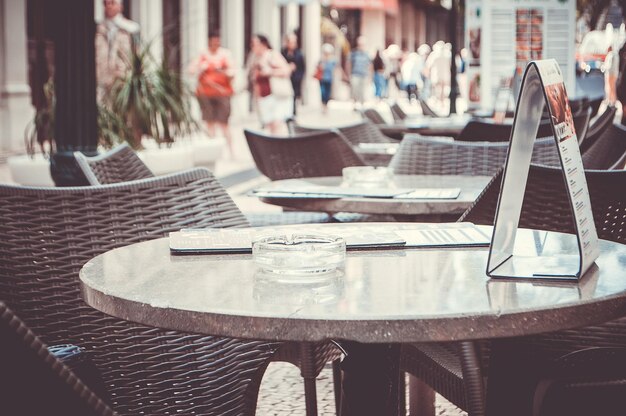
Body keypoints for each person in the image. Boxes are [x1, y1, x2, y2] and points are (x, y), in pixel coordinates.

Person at [188, 32, 235, 157]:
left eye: (217, 42)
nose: (216, 44)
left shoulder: (225, 54)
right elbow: (191, 70)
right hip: (205, 94)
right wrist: (200, 68)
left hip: (222, 93)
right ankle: (214, 153)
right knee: (210, 123)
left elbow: (232, 72)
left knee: (224, 123)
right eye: (213, 42)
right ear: (209, 42)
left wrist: (223, 71)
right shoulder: (202, 54)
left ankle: (231, 152)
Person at [95, 0, 140, 99]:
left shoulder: (130, 29)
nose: (109, 6)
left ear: (120, 6)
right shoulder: (98, 30)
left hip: (123, 80)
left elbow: (137, 54)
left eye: (112, 3)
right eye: (106, 3)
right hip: (102, 80)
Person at [250, 34, 293, 135]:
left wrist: (269, 72)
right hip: (263, 97)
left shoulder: (272, 55)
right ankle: (273, 149)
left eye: (254, 44)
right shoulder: (254, 58)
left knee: (277, 124)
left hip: (276, 95)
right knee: (269, 126)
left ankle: (279, 148)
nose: (253, 47)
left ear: (263, 44)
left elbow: (286, 70)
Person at [281, 33, 305, 116]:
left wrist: (298, 77)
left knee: (293, 97)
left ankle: (292, 114)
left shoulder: (299, 54)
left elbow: (302, 68)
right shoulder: (282, 53)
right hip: (284, 80)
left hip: (295, 80)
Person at [346, 36, 371, 109]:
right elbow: (349, 64)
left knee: (362, 91)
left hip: (364, 75)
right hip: (355, 74)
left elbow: (369, 65)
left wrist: (370, 76)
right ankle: (355, 104)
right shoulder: (353, 53)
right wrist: (348, 74)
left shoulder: (367, 54)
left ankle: (362, 105)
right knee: (355, 90)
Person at [317, 43, 337, 113]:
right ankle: (323, 105)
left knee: (327, 93)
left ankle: (326, 105)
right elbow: (318, 68)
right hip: (322, 79)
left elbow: (335, 69)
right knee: (322, 92)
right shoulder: (321, 60)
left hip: (329, 79)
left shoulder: (333, 60)